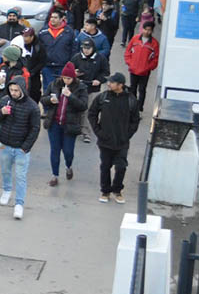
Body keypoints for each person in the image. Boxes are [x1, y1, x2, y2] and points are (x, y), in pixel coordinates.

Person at [0, 75, 41, 220]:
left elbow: (35, 129)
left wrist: (25, 147)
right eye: (11, 90)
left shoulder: (32, 107)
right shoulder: (4, 101)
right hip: (6, 145)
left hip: (21, 149)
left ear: (22, 89)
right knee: (6, 171)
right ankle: (6, 190)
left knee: (21, 177)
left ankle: (19, 204)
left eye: (15, 90)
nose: (13, 93)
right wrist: (2, 112)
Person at [88, 72, 140, 203]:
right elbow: (92, 113)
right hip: (105, 141)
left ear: (120, 85)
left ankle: (117, 190)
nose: (109, 84)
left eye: (112, 82)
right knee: (105, 166)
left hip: (122, 141)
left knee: (121, 166)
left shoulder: (130, 100)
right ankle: (105, 191)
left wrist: (127, 135)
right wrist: (98, 131)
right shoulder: (102, 97)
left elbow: (135, 120)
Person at [40, 62, 88, 186]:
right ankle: (54, 175)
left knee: (68, 150)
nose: (66, 81)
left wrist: (70, 96)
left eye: (69, 78)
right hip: (54, 122)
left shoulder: (80, 88)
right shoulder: (54, 84)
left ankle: (68, 166)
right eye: (64, 78)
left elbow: (83, 105)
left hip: (70, 124)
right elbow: (43, 99)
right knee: (55, 150)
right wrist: (50, 100)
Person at [0, 45, 29, 165]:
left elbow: (25, 90)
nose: (2, 56)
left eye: (5, 55)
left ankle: (12, 155)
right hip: (0, 103)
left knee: (12, 132)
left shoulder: (22, 72)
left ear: (11, 57)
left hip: (15, 107)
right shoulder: (2, 67)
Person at [124, 21, 159, 112]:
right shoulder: (135, 39)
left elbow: (155, 59)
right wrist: (130, 63)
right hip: (133, 69)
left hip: (145, 72)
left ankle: (139, 108)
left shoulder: (154, 43)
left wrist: (148, 67)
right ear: (142, 29)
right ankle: (132, 106)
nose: (147, 32)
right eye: (145, 29)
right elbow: (128, 52)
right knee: (133, 89)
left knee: (142, 90)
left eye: (149, 30)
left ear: (152, 31)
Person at [38, 11, 76, 93]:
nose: (52, 19)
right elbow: (38, 48)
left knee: (61, 89)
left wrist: (71, 63)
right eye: (51, 17)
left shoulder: (69, 32)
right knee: (48, 89)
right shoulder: (43, 31)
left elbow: (74, 49)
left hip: (62, 66)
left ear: (62, 19)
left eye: (55, 17)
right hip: (47, 66)